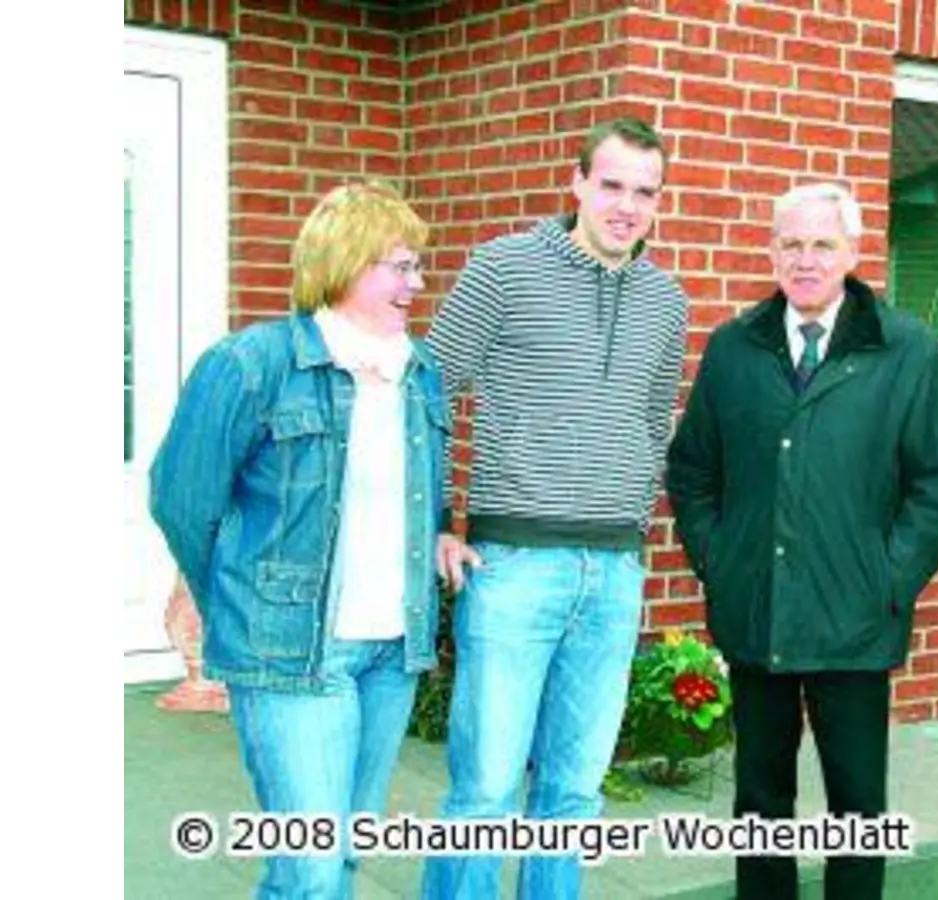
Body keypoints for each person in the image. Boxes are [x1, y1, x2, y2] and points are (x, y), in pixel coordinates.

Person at [666, 182, 938, 900]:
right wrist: (720, 562)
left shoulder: (906, 350)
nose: (805, 260)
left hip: (856, 620)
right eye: (791, 244)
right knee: (760, 805)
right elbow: (692, 469)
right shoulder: (735, 348)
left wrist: (886, 580)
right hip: (756, 613)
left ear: (853, 253)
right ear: (771, 251)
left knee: (857, 810)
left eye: (822, 244)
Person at [148, 181, 451, 898]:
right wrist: (227, 598)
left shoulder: (419, 374)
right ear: (344, 263)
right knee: (310, 868)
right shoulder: (251, 364)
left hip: (391, 652)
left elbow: (419, 500)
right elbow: (182, 498)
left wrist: (440, 540)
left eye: (417, 267)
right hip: (290, 653)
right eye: (400, 266)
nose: (417, 283)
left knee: (343, 852)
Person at [420, 116, 688, 900]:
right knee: (486, 793)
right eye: (611, 185)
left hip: (611, 573)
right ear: (577, 182)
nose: (627, 206)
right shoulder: (503, 269)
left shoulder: (665, 300)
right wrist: (438, 518)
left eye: (645, 192)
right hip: (514, 566)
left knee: (573, 796)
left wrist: (632, 520)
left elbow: (651, 418)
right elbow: (429, 393)